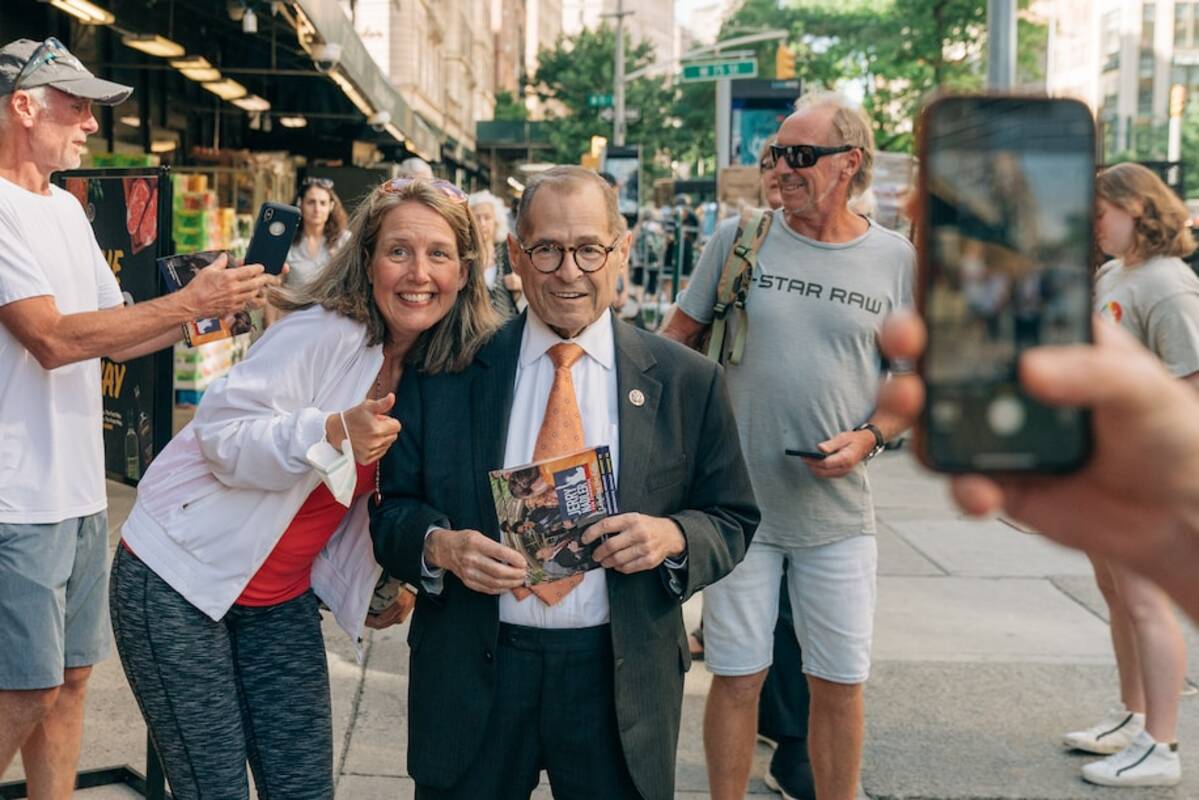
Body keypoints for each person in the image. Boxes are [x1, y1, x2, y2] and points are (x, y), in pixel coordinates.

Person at [370, 165, 759, 800]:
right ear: (517, 255)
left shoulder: (687, 381)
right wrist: (440, 546)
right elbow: (391, 512)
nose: (569, 271)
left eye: (588, 249)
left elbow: (733, 518)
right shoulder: (446, 370)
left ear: (622, 250)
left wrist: (672, 536)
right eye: (547, 249)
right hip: (474, 673)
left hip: (617, 682)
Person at [109, 177, 500, 800]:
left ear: (465, 270)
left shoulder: (442, 370)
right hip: (176, 577)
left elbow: (389, 501)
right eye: (398, 251)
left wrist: (388, 578)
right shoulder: (325, 331)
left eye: (439, 254)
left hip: (280, 599)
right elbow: (221, 437)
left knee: (303, 788)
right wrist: (331, 429)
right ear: (367, 258)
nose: (417, 273)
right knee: (215, 791)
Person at [0, 37, 278, 798]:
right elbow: (55, 339)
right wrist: (190, 304)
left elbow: (119, 323)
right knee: (21, 691)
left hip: (81, 495)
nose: (90, 124)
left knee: (68, 684)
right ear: (24, 106)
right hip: (15, 502)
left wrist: (210, 313)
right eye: (76, 105)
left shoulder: (62, 206)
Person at [664, 93, 917, 800]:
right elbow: (672, 345)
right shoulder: (739, 239)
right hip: (736, 511)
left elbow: (908, 384)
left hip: (835, 514)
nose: (779, 168)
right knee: (737, 676)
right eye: (773, 153)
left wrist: (868, 437)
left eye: (798, 155)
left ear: (849, 164)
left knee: (837, 681)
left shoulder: (894, 260)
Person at [1054, 162, 1198, 788]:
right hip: (1107, 464)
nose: (1093, 226)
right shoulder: (1118, 274)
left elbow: (1190, 381)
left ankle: (1160, 745)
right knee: (1118, 593)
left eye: (1100, 213)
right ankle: (1135, 716)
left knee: (1144, 601)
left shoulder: (1168, 283)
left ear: (1136, 207)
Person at [286, 176, 351, 289]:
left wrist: (340, 265)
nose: (317, 209)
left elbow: (355, 282)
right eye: (311, 202)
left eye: (323, 203)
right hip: (294, 305)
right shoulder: (286, 241)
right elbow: (276, 284)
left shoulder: (344, 240)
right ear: (300, 204)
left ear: (331, 206)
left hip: (333, 306)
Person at [468, 189, 523, 319]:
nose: (482, 224)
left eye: (487, 218)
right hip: (473, 333)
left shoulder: (509, 254)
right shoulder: (464, 257)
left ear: (496, 222)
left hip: (507, 329)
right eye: (477, 218)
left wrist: (519, 289)